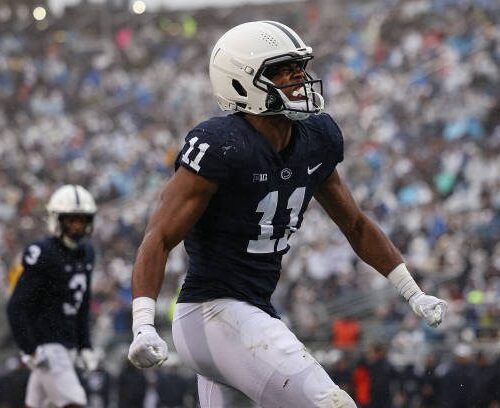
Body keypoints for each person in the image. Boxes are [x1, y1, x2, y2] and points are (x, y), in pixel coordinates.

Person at [127, 21, 447, 408]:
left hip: (253, 312)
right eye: (281, 70)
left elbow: (356, 225)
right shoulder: (223, 144)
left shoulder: (317, 138)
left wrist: (412, 293)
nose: (298, 78)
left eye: (299, 68)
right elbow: (159, 236)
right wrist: (143, 323)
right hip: (211, 311)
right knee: (331, 404)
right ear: (241, 82)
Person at [6, 184, 99, 408]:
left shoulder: (87, 252)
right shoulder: (43, 252)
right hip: (47, 344)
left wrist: (84, 344)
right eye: (71, 220)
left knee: (39, 404)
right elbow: (16, 305)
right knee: (75, 402)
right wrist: (29, 348)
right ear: (57, 219)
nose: (77, 227)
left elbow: (83, 303)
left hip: (67, 344)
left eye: (82, 220)